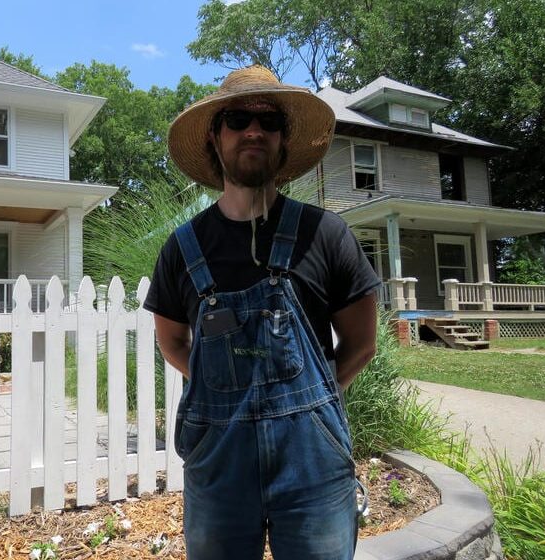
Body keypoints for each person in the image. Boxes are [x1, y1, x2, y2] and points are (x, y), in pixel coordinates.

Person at [143, 65, 381, 559]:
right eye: (236, 118)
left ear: (282, 139)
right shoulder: (182, 250)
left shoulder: (326, 235)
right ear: (214, 136)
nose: (254, 130)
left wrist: (316, 401)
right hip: (219, 470)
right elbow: (172, 343)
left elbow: (361, 343)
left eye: (268, 121)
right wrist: (217, 385)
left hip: (313, 466)